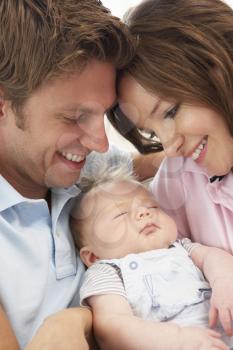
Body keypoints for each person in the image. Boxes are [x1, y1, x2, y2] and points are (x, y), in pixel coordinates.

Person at [0, 1, 140, 349]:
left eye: (103, 114)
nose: (101, 143)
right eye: (75, 117)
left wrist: (79, 317)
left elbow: (162, 163)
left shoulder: (83, 173)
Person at [107, 0, 233, 253]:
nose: (169, 147)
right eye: (151, 132)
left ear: (217, 69)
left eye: (170, 112)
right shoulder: (176, 183)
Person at [70, 164, 233, 350]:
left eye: (152, 206)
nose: (144, 212)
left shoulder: (181, 247)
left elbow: (215, 258)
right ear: (93, 257)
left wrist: (224, 281)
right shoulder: (108, 271)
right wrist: (176, 339)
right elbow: (112, 326)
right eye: (121, 213)